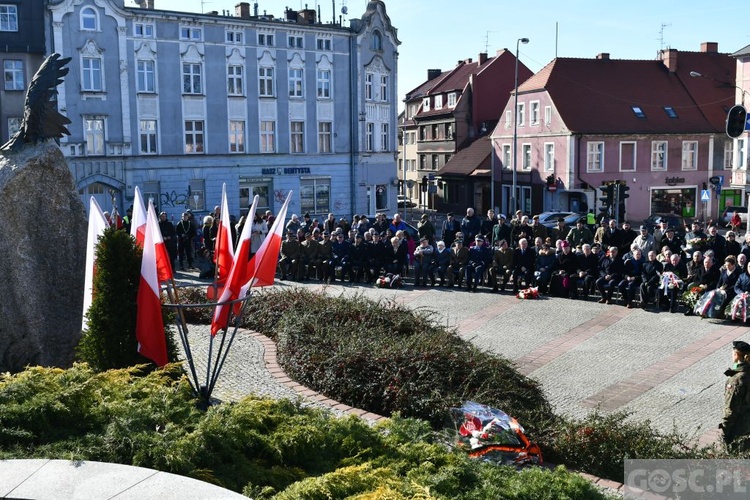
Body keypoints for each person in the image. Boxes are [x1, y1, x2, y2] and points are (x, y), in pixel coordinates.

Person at [720, 340, 750, 451]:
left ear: (736, 355)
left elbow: (731, 410)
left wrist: (725, 431)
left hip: (739, 429)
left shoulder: (736, 381)